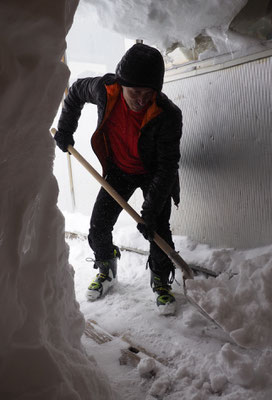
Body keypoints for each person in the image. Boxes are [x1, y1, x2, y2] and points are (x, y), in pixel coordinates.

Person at [54, 43, 183, 315]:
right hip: (120, 170)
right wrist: (66, 129)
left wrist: (149, 211)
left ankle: (160, 280)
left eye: (149, 93)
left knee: (158, 230)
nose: (141, 99)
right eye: (135, 92)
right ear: (122, 83)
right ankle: (106, 267)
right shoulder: (105, 89)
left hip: (154, 174)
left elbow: (167, 166)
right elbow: (76, 91)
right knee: (98, 226)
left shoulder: (168, 114)